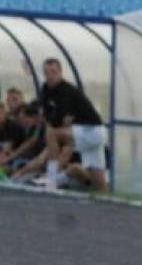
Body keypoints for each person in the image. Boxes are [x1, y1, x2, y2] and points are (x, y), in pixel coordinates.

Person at [38, 57, 108, 192]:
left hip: (92, 131)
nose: (50, 76)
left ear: (60, 73)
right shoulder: (45, 89)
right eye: (47, 73)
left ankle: (51, 176)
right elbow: (47, 115)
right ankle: (104, 200)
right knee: (98, 183)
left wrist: (57, 121)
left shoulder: (66, 90)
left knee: (51, 133)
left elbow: (56, 120)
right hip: (86, 134)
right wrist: (56, 120)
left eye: (54, 72)